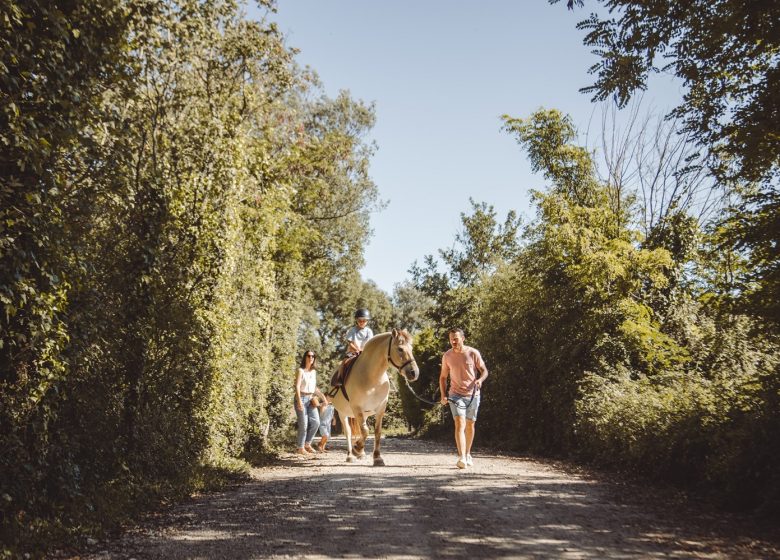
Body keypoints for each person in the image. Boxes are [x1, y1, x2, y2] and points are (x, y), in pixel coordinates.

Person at [439, 328, 488, 469]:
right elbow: (443, 377)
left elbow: (484, 370)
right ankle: (462, 457)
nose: (453, 341)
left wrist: (480, 380)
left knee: (470, 424)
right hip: (455, 395)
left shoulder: (473, 353)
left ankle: (467, 453)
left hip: (473, 394)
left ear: (463, 338)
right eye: (451, 339)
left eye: (456, 338)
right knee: (460, 423)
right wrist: (443, 395)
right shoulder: (447, 356)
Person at [294, 350, 328, 456]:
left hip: (311, 399)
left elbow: (314, 388)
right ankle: (300, 447)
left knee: (316, 422)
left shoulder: (313, 372)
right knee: (304, 425)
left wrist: (323, 398)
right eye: (309, 356)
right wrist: (299, 400)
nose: (311, 358)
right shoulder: (300, 371)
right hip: (302, 399)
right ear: (305, 357)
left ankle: (307, 444)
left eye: (313, 356)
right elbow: (297, 386)